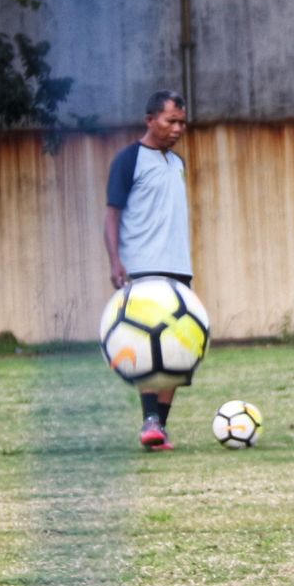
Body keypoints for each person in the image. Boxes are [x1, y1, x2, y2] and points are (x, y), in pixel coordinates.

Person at [104, 89, 194, 451]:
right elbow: (112, 216)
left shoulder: (177, 163)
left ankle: (159, 430)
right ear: (150, 120)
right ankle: (150, 420)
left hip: (179, 268)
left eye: (182, 123)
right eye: (171, 121)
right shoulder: (128, 160)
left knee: (179, 349)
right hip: (142, 268)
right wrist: (115, 260)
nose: (177, 128)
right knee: (147, 346)